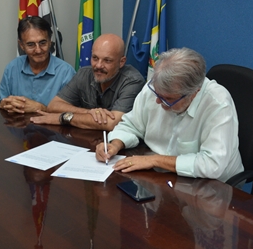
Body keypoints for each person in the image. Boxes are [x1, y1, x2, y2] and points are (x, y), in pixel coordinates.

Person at [95, 47, 243, 182]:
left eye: (168, 99)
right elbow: (132, 125)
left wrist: (155, 160)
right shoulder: (154, 88)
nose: (158, 101)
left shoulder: (218, 104)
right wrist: (114, 145)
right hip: (161, 176)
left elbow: (212, 165)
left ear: (194, 92)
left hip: (212, 187)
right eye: (157, 94)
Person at [30, 33, 144, 130]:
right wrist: (89, 112)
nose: (98, 65)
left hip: (119, 148)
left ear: (121, 62)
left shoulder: (133, 81)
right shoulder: (84, 74)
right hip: (87, 142)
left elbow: (111, 123)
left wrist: (63, 117)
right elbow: (53, 105)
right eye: (95, 58)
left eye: (107, 60)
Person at [0, 16, 75, 113]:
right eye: (31, 45)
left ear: (50, 41)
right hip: (18, 127)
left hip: (53, 128)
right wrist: (3, 105)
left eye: (42, 43)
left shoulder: (66, 72)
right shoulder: (12, 68)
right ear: (22, 45)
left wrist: (41, 108)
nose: (38, 50)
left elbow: (72, 116)